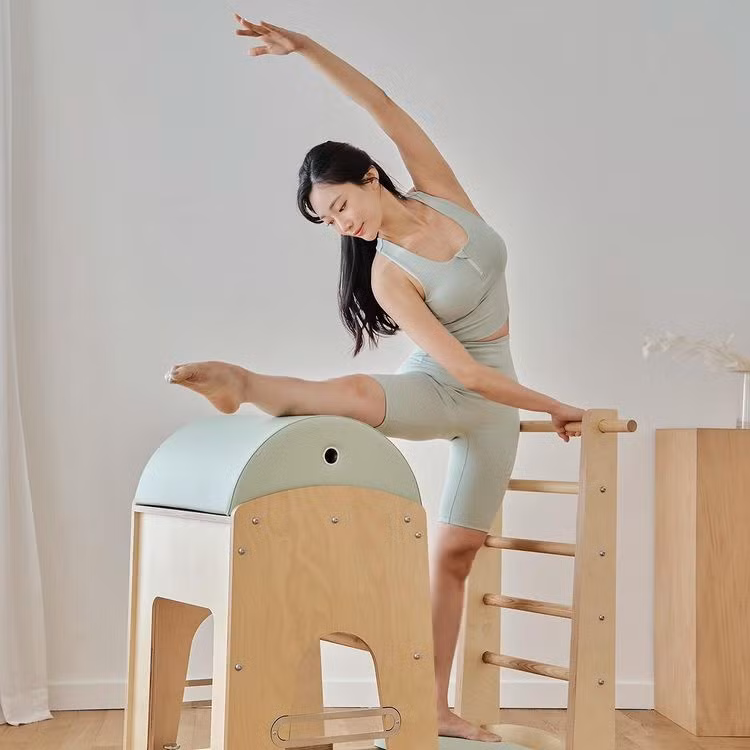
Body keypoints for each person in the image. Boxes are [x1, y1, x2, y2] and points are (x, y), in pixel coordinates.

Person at [165, 16, 585, 743]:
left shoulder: (442, 193)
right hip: (446, 387)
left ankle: (436, 705)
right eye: (326, 222)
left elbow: (381, 105)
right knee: (359, 395)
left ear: (368, 176)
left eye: (338, 207)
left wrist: (306, 49)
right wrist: (552, 405)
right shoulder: (389, 275)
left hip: (494, 402)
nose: (341, 226)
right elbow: (461, 371)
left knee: (456, 555)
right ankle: (244, 383)